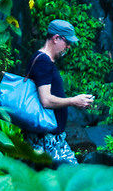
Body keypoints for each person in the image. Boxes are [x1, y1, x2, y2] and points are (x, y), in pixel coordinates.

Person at [28, 19, 94, 162]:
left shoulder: (44, 61)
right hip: (47, 138)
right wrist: (74, 101)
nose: (69, 47)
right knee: (70, 178)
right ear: (56, 38)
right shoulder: (43, 62)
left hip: (52, 136)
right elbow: (45, 100)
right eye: (67, 42)